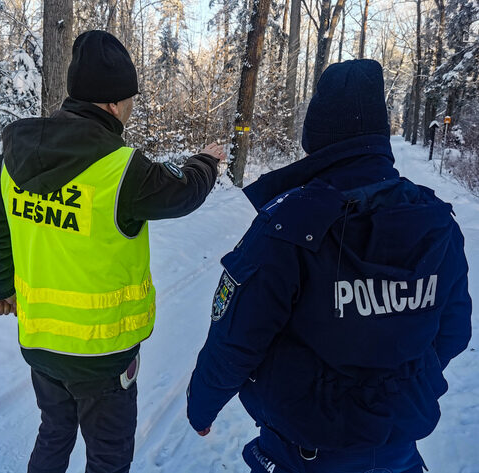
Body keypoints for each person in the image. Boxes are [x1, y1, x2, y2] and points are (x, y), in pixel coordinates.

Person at [186, 59, 472, 473]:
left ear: (316, 133)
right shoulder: (436, 220)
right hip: (397, 449)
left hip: (303, 453)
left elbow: (236, 338)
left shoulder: (287, 224)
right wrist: (396, 386)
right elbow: (452, 332)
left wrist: (202, 407)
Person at [0, 30, 225, 473]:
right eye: (129, 98)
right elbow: (182, 195)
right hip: (104, 358)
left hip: (42, 344)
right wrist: (206, 161)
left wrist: (0, 286)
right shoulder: (120, 167)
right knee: (108, 458)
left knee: (53, 433)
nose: (130, 107)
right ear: (111, 103)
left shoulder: (16, 157)